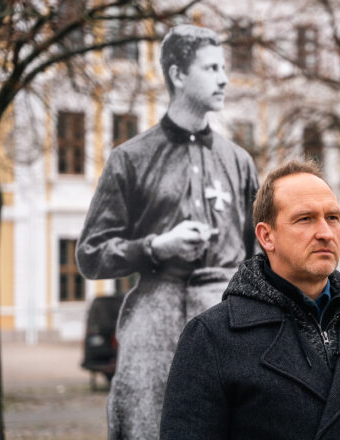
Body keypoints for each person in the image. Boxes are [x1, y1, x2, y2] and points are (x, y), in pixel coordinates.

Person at [76, 25, 258, 440]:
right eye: (211, 68)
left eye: (224, 67)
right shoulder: (131, 159)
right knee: (146, 422)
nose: (224, 78)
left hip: (228, 317)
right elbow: (90, 253)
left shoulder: (239, 162)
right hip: (154, 320)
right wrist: (155, 245)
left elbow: (259, 255)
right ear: (178, 74)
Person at [160, 160, 340, 439]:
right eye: (305, 219)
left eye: (333, 218)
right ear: (267, 236)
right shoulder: (212, 337)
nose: (325, 232)